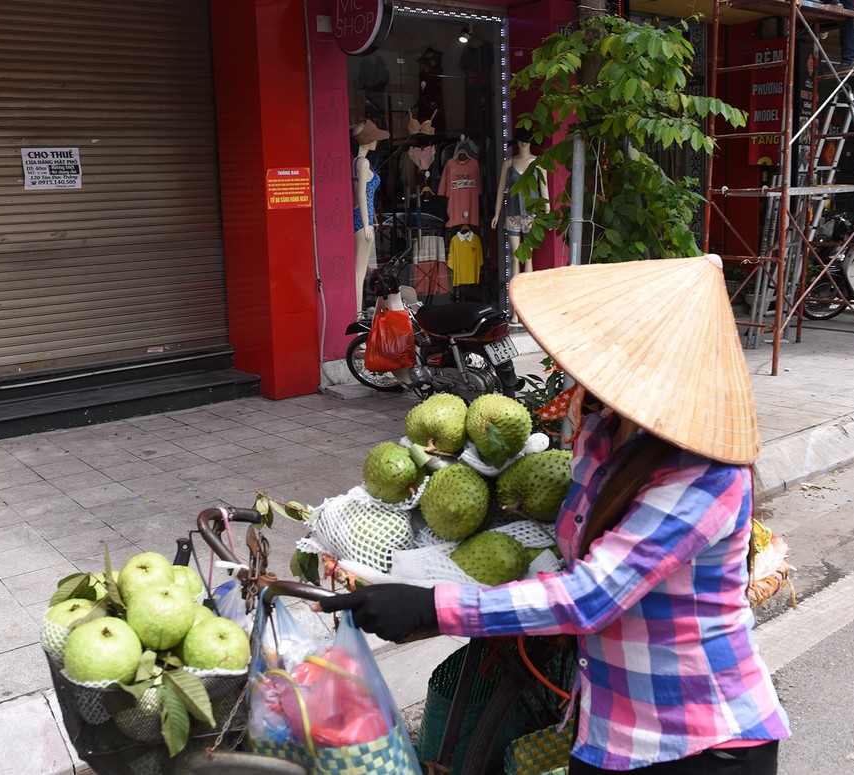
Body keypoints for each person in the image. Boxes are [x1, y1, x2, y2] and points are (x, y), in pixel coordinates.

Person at [317, 255, 792, 773]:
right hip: (609, 728)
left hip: (698, 743)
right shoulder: (604, 437)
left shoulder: (705, 478)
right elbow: (572, 554)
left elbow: (590, 596)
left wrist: (434, 606)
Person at [491, 128, 549, 280]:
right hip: (512, 214)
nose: (523, 143)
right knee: (516, 256)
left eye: (526, 140)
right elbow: (501, 189)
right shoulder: (508, 163)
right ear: (516, 142)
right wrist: (497, 213)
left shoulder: (538, 163)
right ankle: (513, 295)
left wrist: (548, 213)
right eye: (521, 140)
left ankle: (527, 293)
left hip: (531, 216)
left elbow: (545, 189)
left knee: (528, 256)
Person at [351, 119, 389, 316]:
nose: (376, 142)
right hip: (360, 220)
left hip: (360, 217)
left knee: (361, 271)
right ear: (367, 140)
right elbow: (362, 196)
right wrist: (367, 224)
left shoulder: (355, 161)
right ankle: (356, 321)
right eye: (374, 138)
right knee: (358, 275)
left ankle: (358, 316)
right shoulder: (363, 163)